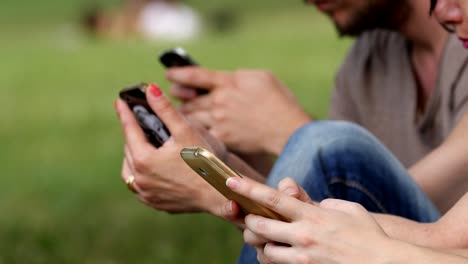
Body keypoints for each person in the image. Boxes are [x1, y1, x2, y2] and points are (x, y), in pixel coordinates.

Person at [114, 0, 468, 263]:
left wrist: (290, 132)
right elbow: (353, 205)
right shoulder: (363, 63)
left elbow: (428, 225)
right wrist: (223, 165)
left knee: (327, 145)